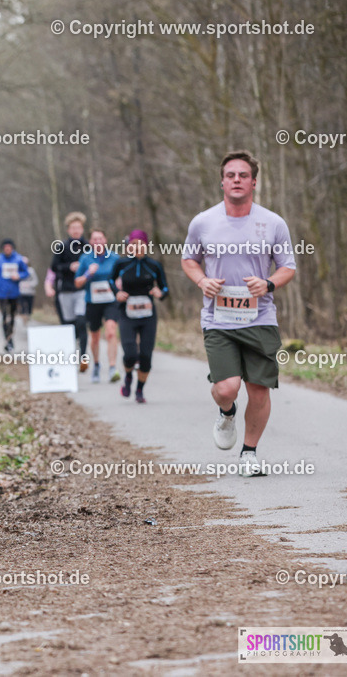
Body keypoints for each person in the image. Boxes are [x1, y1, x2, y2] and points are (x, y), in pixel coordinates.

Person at [181, 150, 296, 477]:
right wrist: (202, 280)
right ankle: (226, 411)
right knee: (228, 387)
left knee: (258, 388)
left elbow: (288, 266)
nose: (236, 179)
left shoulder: (272, 222)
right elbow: (189, 259)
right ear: (222, 181)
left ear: (253, 182)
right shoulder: (203, 221)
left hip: (260, 317)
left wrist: (268, 284)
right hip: (218, 319)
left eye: (243, 175)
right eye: (230, 174)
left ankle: (249, 453)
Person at [113, 230, 169, 403]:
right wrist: (117, 292)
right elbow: (110, 280)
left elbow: (165, 288)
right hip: (127, 313)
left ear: (146, 245)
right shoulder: (122, 264)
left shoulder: (154, 265)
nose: (137, 247)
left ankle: (139, 390)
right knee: (129, 353)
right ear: (129, 245)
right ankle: (128, 376)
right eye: (133, 244)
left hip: (148, 316)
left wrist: (160, 293)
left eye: (140, 243)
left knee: (145, 356)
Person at [75, 229, 121, 383]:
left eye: (100, 239)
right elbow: (77, 282)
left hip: (110, 301)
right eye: (94, 239)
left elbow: (122, 277)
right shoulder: (85, 258)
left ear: (105, 240)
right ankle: (96, 365)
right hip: (92, 302)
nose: (98, 242)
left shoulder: (114, 257)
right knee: (94, 337)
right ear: (90, 242)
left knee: (110, 332)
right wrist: (88, 274)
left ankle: (113, 367)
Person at [51, 212, 89, 372]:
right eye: (73, 228)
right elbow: (54, 267)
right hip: (65, 291)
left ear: (82, 229)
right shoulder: (62, 246)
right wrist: (69, 267)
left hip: (82, 291)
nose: (76, 230)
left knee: (81, 322)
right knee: (68, 326)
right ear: (68, 230)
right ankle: (68, 356)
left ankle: (83, 358)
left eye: (78, 227)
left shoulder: (88, 247)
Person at [0, 239, 29, 352]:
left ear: (12, 248)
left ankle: (10, 337)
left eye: (9, 247)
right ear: (2, 249)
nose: (7, 249)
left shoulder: (18, 259)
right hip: (2, 293)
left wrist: (19, 275)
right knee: (5, 317)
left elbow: (26, 272)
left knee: (12, 317)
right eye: (5, 247)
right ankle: (8, 340)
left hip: (14, 293)